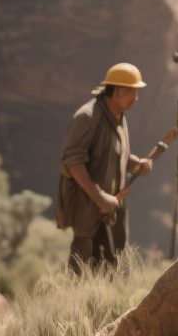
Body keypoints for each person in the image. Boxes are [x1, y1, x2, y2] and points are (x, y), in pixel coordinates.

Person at [57, 63, 152, 272]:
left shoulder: (119, 117)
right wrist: (100, 198)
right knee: (84, 270)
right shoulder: (87, 117)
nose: (136, 98)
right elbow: (73, 162)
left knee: (113, 268)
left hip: (112, 210)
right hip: (89, 210)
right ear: (117, 91)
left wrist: (137, 165)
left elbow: (118, 157)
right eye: (131, 92)